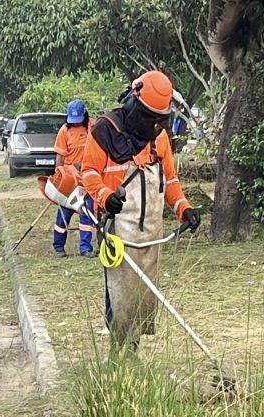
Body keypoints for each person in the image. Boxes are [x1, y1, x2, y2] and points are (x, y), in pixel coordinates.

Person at [80, 70, 201, 349]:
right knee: (120, 296)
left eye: (158, 119)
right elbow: (89, 173)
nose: (152, 124)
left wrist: (184, 208)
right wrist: (105, 196)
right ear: (134, 101)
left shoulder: (159, 137)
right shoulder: (104, 131)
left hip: (152, 233)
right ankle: (118, 354)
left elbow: (169, 180)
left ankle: (133, 351)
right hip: (118, 232)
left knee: (144, 298)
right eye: (147, 116)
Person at [52, 99, 96, 257]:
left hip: (89, 178)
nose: (75, 123)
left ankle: (85, 248)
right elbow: (60, 157)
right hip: (70, 180)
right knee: (64, 213)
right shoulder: (64, 131)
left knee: (87, 212)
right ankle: (58, 246)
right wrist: (59, 177)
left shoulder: (93, 126)